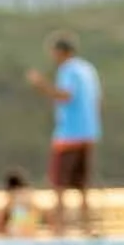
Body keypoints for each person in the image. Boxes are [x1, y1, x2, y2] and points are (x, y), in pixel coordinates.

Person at [26, 34, 101, 233]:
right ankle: (87, 228)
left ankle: (60, 230)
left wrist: (40, 85)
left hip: (69, 135)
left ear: (60, 52)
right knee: (83, 186)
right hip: (88, 133)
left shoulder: (68, 70)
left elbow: (66, 95)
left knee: (59, 185)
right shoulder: (88, 69)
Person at [0, 169, 41, 237]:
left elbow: (1, 221)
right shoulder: (29, 197)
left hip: (19, 234)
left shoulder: (16, 200)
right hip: (27, 233)